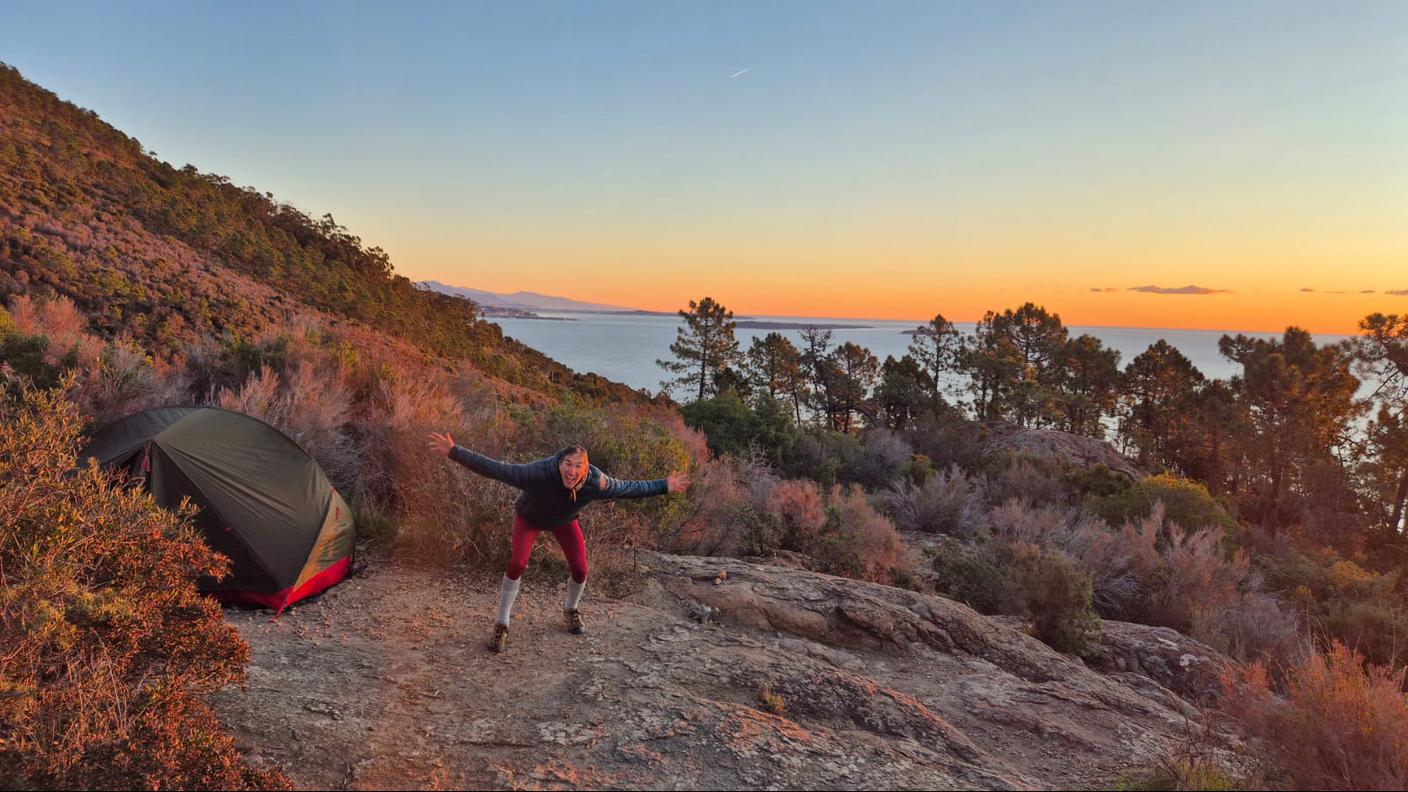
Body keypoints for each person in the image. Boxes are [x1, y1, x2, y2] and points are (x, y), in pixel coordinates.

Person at [426, 432, 689, 653]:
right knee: (517, 562)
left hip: (564, 521)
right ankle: (501, 624)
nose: (572, 470)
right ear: (559, 462)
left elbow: (629, 488)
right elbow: (497, 469)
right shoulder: (538, 473)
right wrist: (454, 451)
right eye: (568, 463)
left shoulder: (596, 483)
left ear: (586, 469)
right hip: (529, 518)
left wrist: (664, 485)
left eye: (578, 466)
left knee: (580, 569)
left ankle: (571, 610)